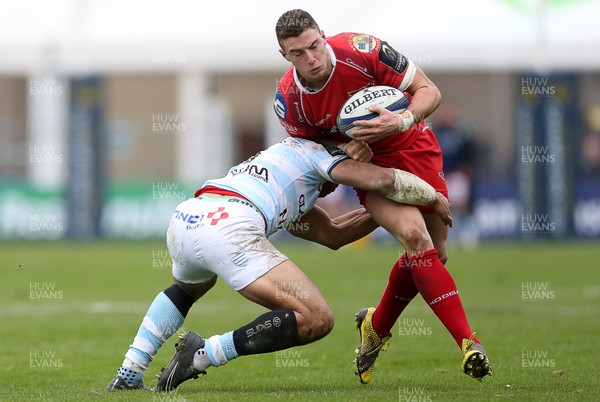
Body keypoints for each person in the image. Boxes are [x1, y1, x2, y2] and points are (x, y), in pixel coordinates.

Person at [105, 137, 451, 392]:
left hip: (188, 217)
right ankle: (202, 354)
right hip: (230, 226)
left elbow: (334, 235)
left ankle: (130, 370)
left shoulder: (281, 165)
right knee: (317, 319)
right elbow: (381, 181)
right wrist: (430, 195)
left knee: (189, 287)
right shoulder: (318, 153)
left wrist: (386, 215)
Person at [273, 9, 492, 383]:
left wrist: (401, 119)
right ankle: (469, 343)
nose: (311, 58)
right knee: (414, 236)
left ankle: (376, 326)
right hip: (372, 169)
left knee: (435, 254)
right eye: (298, 53)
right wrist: (343, 153)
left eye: (314, 46)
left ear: (323, 36)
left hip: (415, 145)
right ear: (285, 56)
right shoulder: (290, 101)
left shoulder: (362, 50)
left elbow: (429, 91)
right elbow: (314, 155)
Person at [434, 103, 479, 248]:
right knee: (446, 205)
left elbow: (470, 151)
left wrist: (468, 168)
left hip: (458, 174)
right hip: (442, 173)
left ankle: (468, 234)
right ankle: (450, 235)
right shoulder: (436, 132)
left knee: (462, 205)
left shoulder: (462, 131)